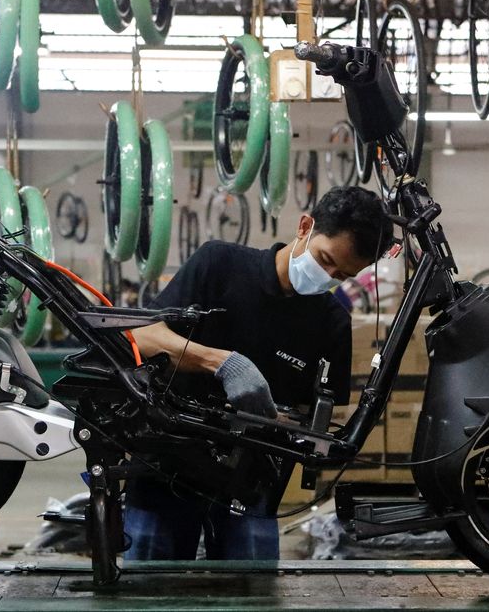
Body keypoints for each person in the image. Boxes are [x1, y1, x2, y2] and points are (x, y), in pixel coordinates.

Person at [127, 186, 394, 561]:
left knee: (252, 598)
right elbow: (142, 336)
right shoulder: (218, 265)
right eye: (324, 260)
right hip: (164, 474)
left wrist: (291, 427)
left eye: (343, 274)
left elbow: (316, 416)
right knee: (148, 597)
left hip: (249, 489)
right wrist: (221, 363)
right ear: (305, 226)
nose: (327, 276)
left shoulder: (332, 322)